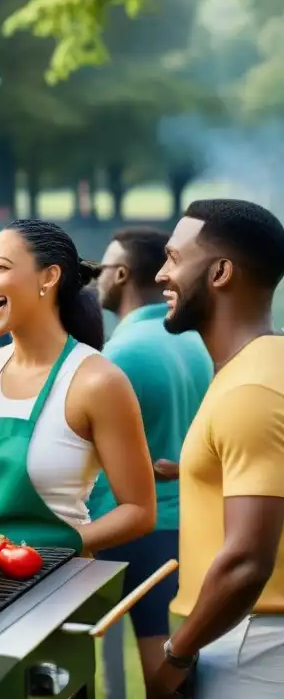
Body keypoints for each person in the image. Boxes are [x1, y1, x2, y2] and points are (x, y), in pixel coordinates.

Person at [0, 219, 156, 556]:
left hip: (62, 584)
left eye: (0, 268)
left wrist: (53, 548)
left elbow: (139, 512)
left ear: (49, 277)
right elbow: (13, 476)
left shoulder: (97, 381)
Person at [149, 199, 284, 699]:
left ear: (221, 272)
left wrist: (176, 654)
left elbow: (248, 560)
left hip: (253, 646)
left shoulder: (251, 390)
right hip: (240, 633)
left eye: (174, 258)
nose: (162, 273)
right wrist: (190, 469)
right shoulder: (261, 366)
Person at [91, 227, 213, 694]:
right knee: (175, 672)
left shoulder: (118, 356)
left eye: (102, 269)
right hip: (187, 526)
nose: (95, 279)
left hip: (128, 531)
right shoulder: (193, 343)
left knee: (134, 672)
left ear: (121, 275)